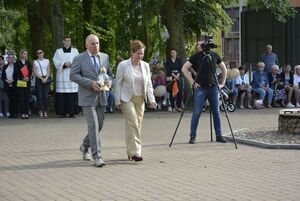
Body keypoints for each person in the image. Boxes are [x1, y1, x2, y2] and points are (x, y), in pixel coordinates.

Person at [70, 34, 110, 167]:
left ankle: (84, 145)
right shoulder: (79, 58)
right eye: (93, 43)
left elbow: (108, 73)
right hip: (87, 98)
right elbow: (73, 75)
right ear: (87, 45)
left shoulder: (105, 57)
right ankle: (97, 157)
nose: (96, 46)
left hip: (102, 96)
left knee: (100, 125)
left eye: (97, 43)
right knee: (93, 125)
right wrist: (90, 83)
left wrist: (109, 82)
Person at [115, 40, 156, 162]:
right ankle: (136, 152)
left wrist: (152, 99)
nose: (140, 56)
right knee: (133, 123)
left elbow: (148, 84)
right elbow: (118, 84)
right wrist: (117, 100)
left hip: (140, 99)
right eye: (138, 53)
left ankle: (130, 152)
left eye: (142, 54)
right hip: (127, 98)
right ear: (132, 53)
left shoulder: (145, 66)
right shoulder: (123, 65)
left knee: (135, 125)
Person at [181, 41, 228, 144]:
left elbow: (224, 69)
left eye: (201, 44)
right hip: (200, 88)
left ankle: (219, 135)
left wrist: (222, 83)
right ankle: (192, 137)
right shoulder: (196, 56)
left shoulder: (214, 55)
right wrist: (192, 82)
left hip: (213, 87)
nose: (200, 46)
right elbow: (184, 68)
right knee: (197, 113)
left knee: (216, 112)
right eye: (198, 44)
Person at [53, 36, 79, 118]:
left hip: (72, 74)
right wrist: (64, 64)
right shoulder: (58, 51)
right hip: (62, 75)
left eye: (69, 41)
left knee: (72, 94)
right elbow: (55, 61)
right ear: (63, 42)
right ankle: (62, 112)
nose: (68, 42)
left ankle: (72, 112)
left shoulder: (75, 51)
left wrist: (72, 64)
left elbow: (78, 61)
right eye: (66, 41)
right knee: (62, 94)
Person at [33, 49, 51, 118]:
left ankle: (45, 111)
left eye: (41, 53)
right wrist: (41, 78)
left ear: (43, 53)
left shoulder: (47, 61)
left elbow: (48, 70)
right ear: (37, 55)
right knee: (39, 96)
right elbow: (35, 72)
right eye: (38, 53)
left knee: (46, 96)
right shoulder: (35, 62)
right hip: (39, 79)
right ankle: (40, 111)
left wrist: (46, 78)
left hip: (46, 79)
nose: (40, 54)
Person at [15, 49, 32, 119]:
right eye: (24, 54)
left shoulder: (28, 62)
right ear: (21, 54)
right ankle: (23, 113)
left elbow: (31, 71)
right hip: (21, 82)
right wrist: (22, 78)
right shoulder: (17, 62)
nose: (25, 55)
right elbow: (16, 73)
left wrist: (28, 77)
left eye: (26, 54)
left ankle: (26, 113)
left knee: (27, 98)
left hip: (27, 82)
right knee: (21, 98)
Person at [2, 54, 18, 118]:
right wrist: (7, 80)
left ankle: (15, 113)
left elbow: (17, 75)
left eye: (12, 58)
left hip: (15, 84)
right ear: (7, 59)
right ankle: (11, 113)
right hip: (7, 85)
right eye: (9, 58)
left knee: (15, 99)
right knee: (10, 100)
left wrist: (12, 80)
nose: (11, 59)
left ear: (14, 59)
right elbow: (3, 76)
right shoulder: (5, 66)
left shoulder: (16, 66)